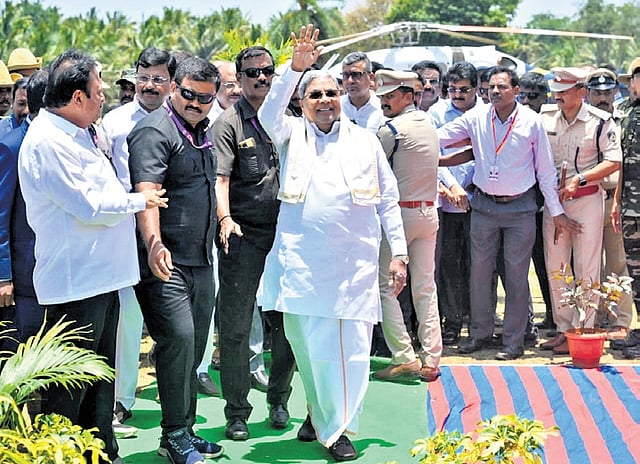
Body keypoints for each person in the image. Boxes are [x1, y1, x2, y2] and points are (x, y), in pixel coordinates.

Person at [259, 25, 408, 462]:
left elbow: (388, 200)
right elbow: (267, 114)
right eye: (315, 94)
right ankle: (317, 411)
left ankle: (338, 429)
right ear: (302, 102)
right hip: (303, 265)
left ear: (341, 96)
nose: (325, 100)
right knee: (308, 347)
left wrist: (399, 254)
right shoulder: (290, 134)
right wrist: (294, 68)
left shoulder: (365, 141)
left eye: (331, 93)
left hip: (352, 268)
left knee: (352, 352)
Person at [17, 49, 167, 464]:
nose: (105, 97)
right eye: (98, 90)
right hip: (76, 284)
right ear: (78, 97)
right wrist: (140, 200)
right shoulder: (48, 141)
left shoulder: (79, 131)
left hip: (102, 279)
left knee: (100, 380)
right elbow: (90, 206)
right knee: (70, 390)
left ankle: (102, 453)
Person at [437, 66, 579, 361]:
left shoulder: (531, 121)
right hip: (484, 206)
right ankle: (480, 334)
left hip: (520, 208)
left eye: (502, 87)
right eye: (491, 87)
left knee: (516, 274)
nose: (495, 91)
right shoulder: (476, 117)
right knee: (479, 272)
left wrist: (557, 212)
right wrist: (409, 133)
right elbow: (440, 137)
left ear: (516, 90)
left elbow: (545, 170)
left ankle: (513, 340)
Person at [128, 56, 224, 464]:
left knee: (196, 346)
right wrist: (154, 244)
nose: (196, 104)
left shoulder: (201, 131)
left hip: (200, 259)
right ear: (173, 88)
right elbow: (146, 193)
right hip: (165, 262)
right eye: (188, 94)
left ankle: (186, 428)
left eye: (205, 98)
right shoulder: (155, 131)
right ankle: (172, 436)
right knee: (178, 341)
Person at [212, 44, 296, 441]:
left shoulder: (292, 120)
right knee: (235, 326)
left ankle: (279, 399)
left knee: (285, 323)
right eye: (252, 73)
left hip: (287, 235)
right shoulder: (227, 123)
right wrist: (225, 218)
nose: (261, 78)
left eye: (267, 71)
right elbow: (220, 179)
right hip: (243, 235)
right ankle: (236, 412)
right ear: (239, 79)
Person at [101, 47, 176, 434]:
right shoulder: (112, 122)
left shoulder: (185, 120)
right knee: (127, 321)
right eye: (143, 77)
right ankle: (121, 400)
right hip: (124, 234)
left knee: (174, 324)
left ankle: (177, 406)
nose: (149, 85)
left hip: (172, 234)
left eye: (158, 79)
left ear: (171, 83)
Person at [539, 67, 621, 355]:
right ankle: (563, 329)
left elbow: (614, 160)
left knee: (587, 266)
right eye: (556, 92)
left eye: (564, 92)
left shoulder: (599, 121)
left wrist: (581, 179)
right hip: (554, 202)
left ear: (581, 92)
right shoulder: (545, 118)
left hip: (587, 199)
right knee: (556, 266)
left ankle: (583, 330)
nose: (558, 97)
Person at [370, 69, 441, 382]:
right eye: (382, 96)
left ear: (408, 96)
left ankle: (404, 357)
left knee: (385, 288)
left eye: (390, 96)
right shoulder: (428, 122)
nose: (384, 101)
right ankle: (431, 359)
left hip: (399, 216)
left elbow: (370, 170)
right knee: (425, 287)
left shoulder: (391, 130)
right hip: (428, 212)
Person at [428, 61, 478, 346]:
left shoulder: (486, 113)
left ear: (476, 89)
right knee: (449, 265)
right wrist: (452, 188)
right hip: (446, 203)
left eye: (464, 90)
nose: (457, 94)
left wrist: (471, 186)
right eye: (453, 89)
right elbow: (433, 156)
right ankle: (452, 321)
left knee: (480, 265)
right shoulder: (436, 114)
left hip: (478, 201)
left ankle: (478, 321)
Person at [585, 67, 634, 341]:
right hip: (586, 199)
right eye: (596, 92)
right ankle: (591, 318)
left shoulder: (625, 119)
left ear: (616, 91)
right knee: (587, 265)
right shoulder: (582, 119)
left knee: (617, 264)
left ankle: (620, 320)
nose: (602, 97)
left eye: (607, 92)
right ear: (587, 93)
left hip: (615, 199)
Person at [0, 71, 47, 355]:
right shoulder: (13, 145)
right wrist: (3, 276)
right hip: (22, 276)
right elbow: (1, 215)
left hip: (52, 270)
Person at [517, 71, 555, 334]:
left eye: (533, 96)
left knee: (549, 265)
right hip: (522, 205)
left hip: (547, 207)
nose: (527, 101)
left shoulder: (550, 122)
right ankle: (537, 318)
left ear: (545, 97)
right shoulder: (515, 121)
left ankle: (555, 315)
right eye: (523, 95)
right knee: (526, 266)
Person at [612, 57, 640, 359]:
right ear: (631, 82)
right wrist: (617, 202)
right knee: (635, 271)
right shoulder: (622, 112)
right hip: (630, 208)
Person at [339, 51, 384, 133]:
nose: (350, 81)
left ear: (371, 77)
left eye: (356, 75)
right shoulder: (336, 106)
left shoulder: (382, 109)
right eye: (345, 75)